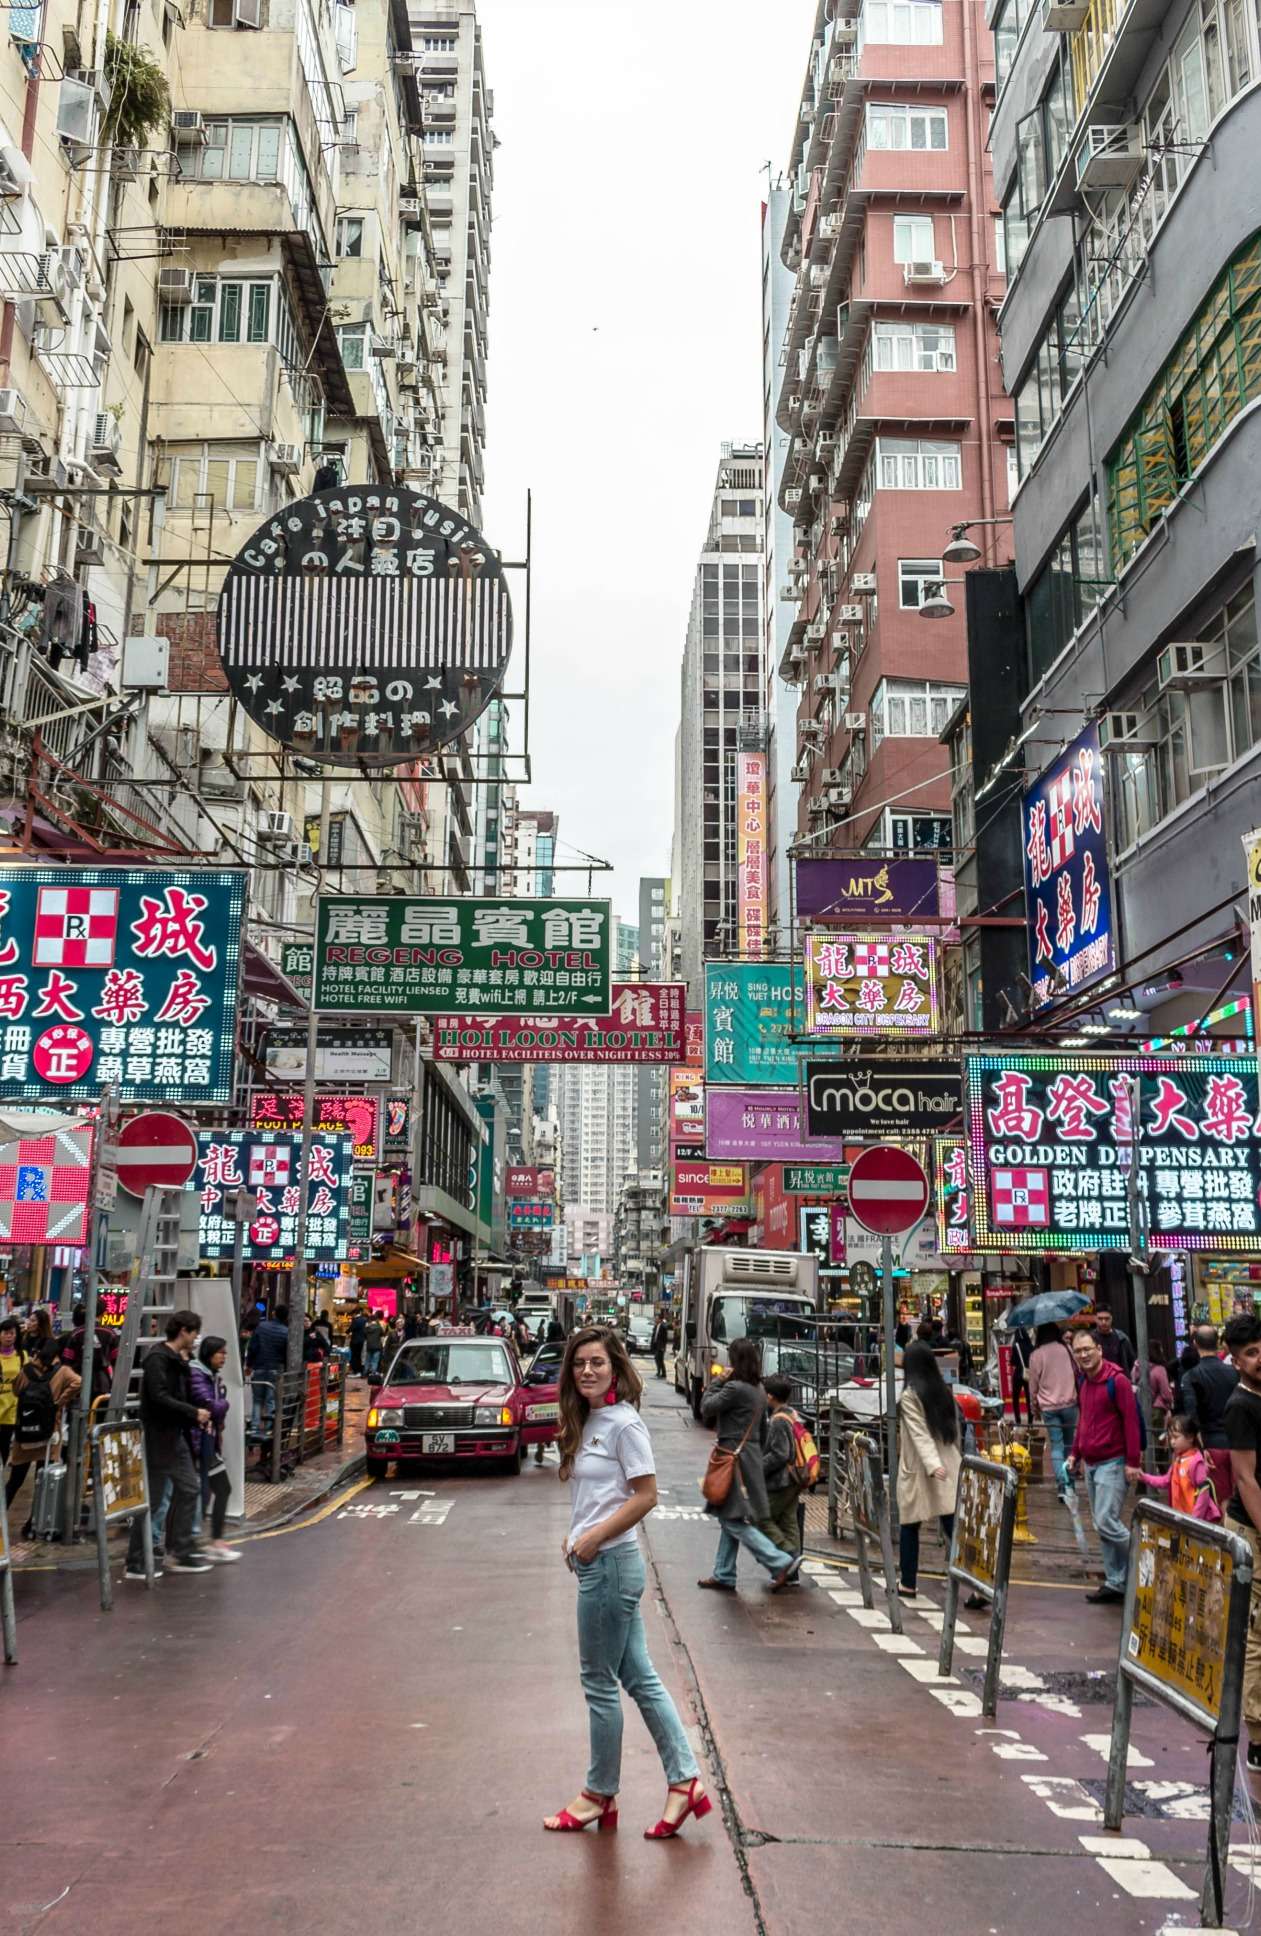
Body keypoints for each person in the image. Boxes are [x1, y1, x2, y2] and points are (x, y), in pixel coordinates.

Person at [544, 1325, 710, 1839]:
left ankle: (599, 1793)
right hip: (601, 1563)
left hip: (611, 1566)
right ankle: (685, 1783)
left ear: (615, 1366)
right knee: (638, 1678)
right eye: (579, 1364)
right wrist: (577, 1535)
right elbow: (596, 1497)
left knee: (598, 1683)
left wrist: (591, 1539)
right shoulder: (589, 1420)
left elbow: (646, 1496)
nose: (587, 1371)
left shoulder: (624, 1424)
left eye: (597, 1362)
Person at [698, 1340, 800, 1593]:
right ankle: (724, 1573)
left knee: (734, 1521)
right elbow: (764, 1431)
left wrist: (718, 1380)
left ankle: (780, 1562)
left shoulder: (735, 1388)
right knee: (729, 1516)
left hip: (733, 1459)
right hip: (750, 1457)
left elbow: (706, 1406)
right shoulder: (758, 1390)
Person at [125, 1310, 213, 1579]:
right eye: (194, 1332)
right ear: (183, 1331)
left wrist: (185, 1363)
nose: (197, 1338)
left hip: (176, 1437)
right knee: (153, 1498)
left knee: (189, 1488)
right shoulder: (157, 1358)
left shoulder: (177, 1359)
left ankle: (180, 1550)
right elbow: (160, 1396)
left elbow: (179, 1393)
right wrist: (193, 1412)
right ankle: (137, 1561)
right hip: (158, 1437)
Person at [1066, 1326, 1142, 1605]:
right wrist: (1075, 1454)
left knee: (1106, 1520)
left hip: (1114, 1461)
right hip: (1092, 1463)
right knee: (1101, 1524)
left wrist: (1133, 1461)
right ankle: (1116, 1581)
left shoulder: (1117, 1381)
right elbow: (1083, 1422)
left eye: (1088, 1349)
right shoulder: (1085, 1382)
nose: (1083, 1355)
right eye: (1078, 1351)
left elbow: (1131, 1422)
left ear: (1099, 1350)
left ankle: (1145, 1558)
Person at [1223, 1312, 1261, 1772]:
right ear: (1235, 1360)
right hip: (1252, 1528)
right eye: (1251, 1353)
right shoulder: (1241, 1406)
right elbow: (1246, 1481)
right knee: (1257, 1634)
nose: (1259, 1359)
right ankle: (1257, 1737)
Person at [896, 1342, 962, 1597]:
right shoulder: (942, 1391)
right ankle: (974, 1581)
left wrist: (933, 1465)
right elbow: (954, 1430)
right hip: (947, 1465)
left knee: (910, 1525)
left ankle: (908, 1582)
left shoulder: (910, 1395)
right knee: (952, 1525)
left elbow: (919, 1434)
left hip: (923, 1469)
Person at [4, 1341, 80, 1535]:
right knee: (42, 1482)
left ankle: (1, 1516)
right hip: (48, 1435)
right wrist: (59, 1402)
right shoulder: (62, 1372)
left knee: (15, 1481)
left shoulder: (26, 1370)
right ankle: (31, 1524)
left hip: (24, 1434)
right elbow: (78, 1382)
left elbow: (16, 1391)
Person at [188, 1336, 240, 1563]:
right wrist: (224, 1405)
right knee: (200, 1493)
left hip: (209, 1441)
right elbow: (211, 1405)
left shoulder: (210, 1376)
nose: (224, 1357)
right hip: (198, 1442)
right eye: (221, 1353)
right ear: (210, 1353)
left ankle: (214, 1541)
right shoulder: (197, 1374)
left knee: (221, 1489)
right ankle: (191, 1542)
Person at [1180, 1324, 1238, 1506]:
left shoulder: (1191, 1377)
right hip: (1240, 1445)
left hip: (1211, 1446)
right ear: (1219, 1343)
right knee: (1241, 1498)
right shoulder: (1234, 1373)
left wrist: (1202, 1448)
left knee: (1218, 1500)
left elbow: (1192, 1416)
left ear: (1195, 1343)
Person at [1027, 1321, 1079, 1499]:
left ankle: (1062, 1486)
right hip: (1070, 1404)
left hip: (1049, 1407)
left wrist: (1034, 1408)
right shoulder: (1067, 1350)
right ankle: (1070, 1484)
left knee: (1056, 1446)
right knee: (1069, 1445)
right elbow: (1077, 1371)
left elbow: (1033, 1386)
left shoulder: (1036, 1355)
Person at [1135, 1414, 1220, 1520]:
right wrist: (1144, 1477)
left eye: (1176, 1437)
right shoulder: (1178, 1460)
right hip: (1181, 1517)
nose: (1172, 1442)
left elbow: (1203, 1494)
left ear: (1190, 1437)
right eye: (1170, 1438)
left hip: (1192, 1521)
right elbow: (1165, 1481)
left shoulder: (1196, 1462)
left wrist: (1195, 1520)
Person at [759, 1374, 803, 1564]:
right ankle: (793, 1571)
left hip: (782, 1480)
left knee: (761, 1518)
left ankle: (788, 1557)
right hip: (795, 1477)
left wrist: (758, 1467)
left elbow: (779, 1454)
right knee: (788, 1521)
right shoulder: (792, 1414)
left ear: (770, 1397)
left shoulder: (778, 1420)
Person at [245, 1303, 288, 1434]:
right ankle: (269, 1429)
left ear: (274, 1313)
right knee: (270, 1401)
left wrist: (249, 1365)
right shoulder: (286, 1332)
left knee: (257, 1400)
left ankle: (254, 1427)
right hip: (276, 1369)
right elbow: (286, 1353)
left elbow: (253, 1347)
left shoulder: (261, 1327)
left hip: (259, 1367)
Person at [0, 1313, 25, 1470]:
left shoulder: (23, 1357)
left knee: (3, 1448)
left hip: (11, 1411)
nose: (8, 1337)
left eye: (12, 1333)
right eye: (5, 1333)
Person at [1096, 1308, 1137, 1376]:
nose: (1103, 1322)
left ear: (1111, 1319)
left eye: (1107, 1319)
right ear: (1095, 1319)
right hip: (1098, 1380)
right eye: (1100, 1319)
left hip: (1120, 1379)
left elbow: (1132, 1361)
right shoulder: (1090, 1339)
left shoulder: (1122, 1338)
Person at [1008, 1324, 1033, 1425]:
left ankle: (1018, 1419)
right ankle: (1030, 1420)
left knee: (1015, 1397)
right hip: (1029, 1374)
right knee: (1028, 1398)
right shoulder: (1031, 1346)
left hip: (1018, 1374)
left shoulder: (1016, 1346)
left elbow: (1012, 1362)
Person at [364, 1311, 385, 1379]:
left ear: (370, 1320)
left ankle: (365, 1372)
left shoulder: (367, 1328)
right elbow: (382, 1333)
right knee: (375, 1361)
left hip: (369, 1346)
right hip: (377, 1346)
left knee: (367, 1360)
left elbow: (364, 1335)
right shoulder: (378, 1327)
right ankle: (373, 1374)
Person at [651, 1310, 670, 1380]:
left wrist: (663, 1347)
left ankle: (663, 1373)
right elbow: (654, 1335)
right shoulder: (656, 1326)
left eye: (657, 1318)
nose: (655, 1319)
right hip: (656, 1345)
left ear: (660, 1319)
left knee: (660, 1359)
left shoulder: (663, 1326)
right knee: (657, 1358)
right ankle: (659, 1371)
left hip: (661, 1346)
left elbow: (665, 1338)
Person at [348, 1306, 367, 1376]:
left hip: (355, 1340)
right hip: (362, 1340)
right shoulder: (365, 1320)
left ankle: (356, 1370)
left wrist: (347, 1332)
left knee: (354, 1356)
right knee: (359, 1356)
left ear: (355, 1313)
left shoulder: (355, 1320)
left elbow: (351, 1329)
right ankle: (359, 1370)